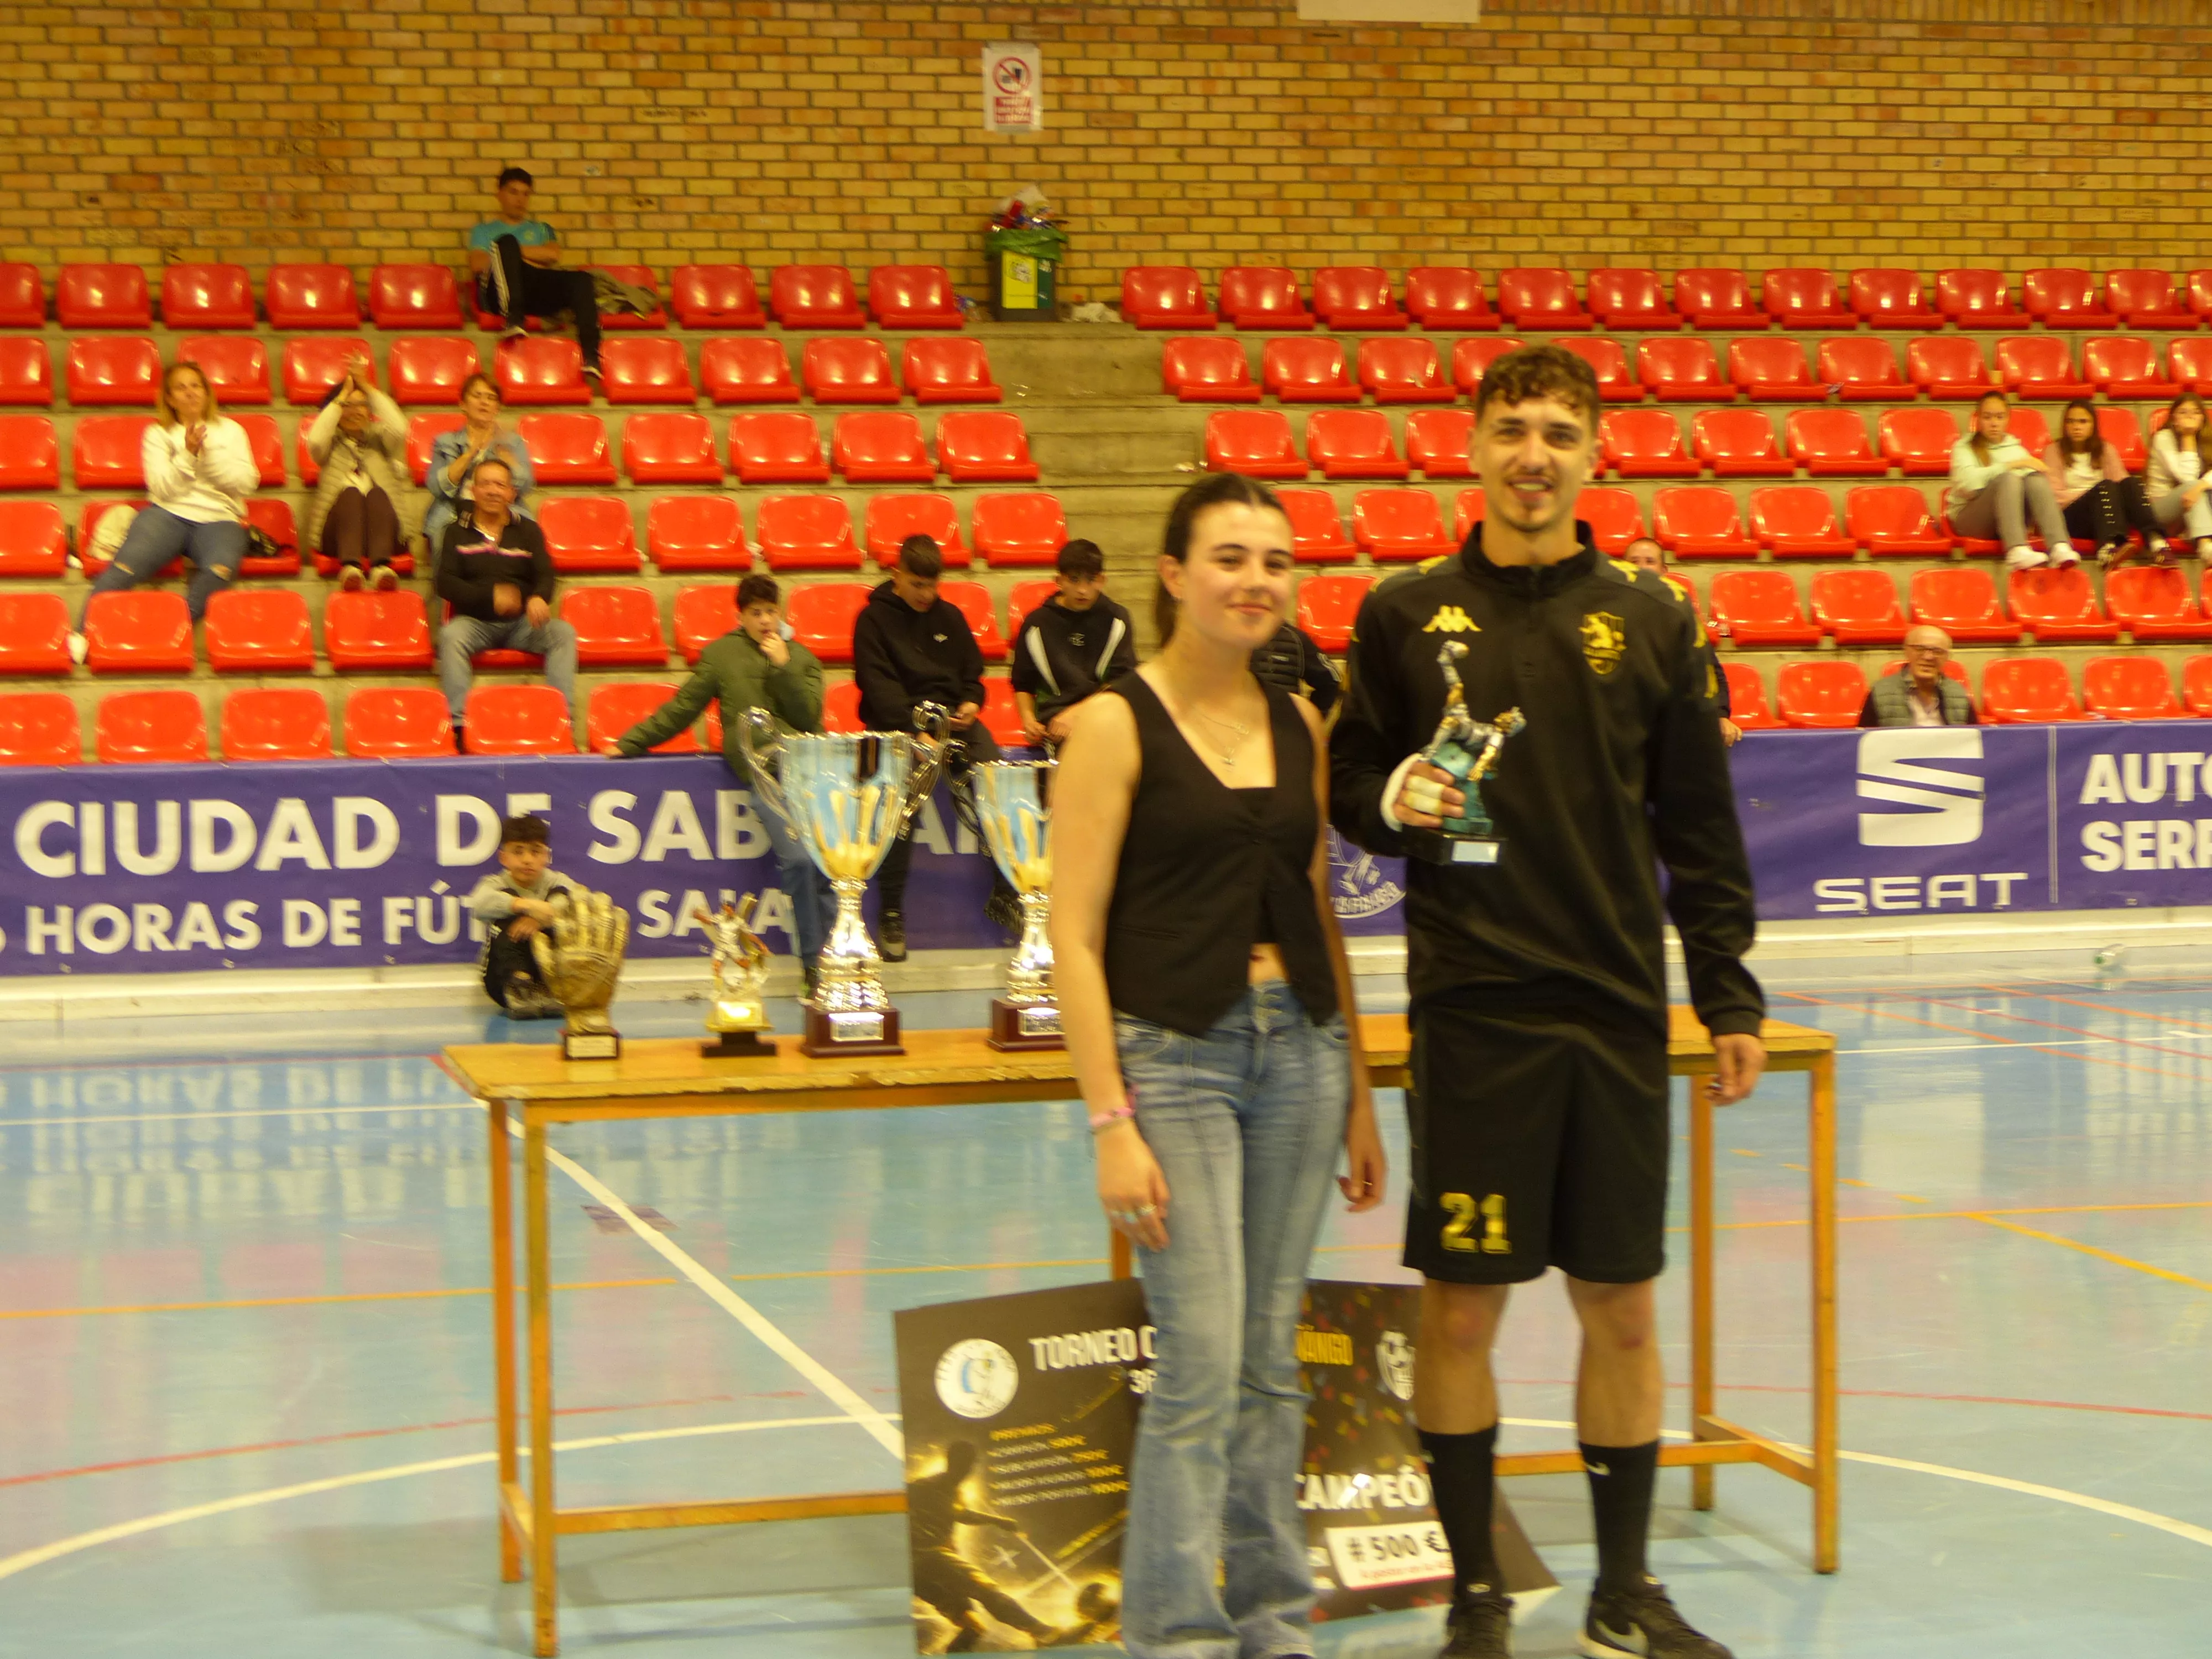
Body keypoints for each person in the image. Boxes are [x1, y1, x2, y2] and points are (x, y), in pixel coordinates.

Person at [1329, 345, 1762, 1659]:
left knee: (1619, 1304)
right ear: (1469, 442)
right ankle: (1473, 1590)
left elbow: (1698, 820)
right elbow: (1352, 790)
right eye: (1512, 427)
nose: (1533, 453)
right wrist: (1389, 802)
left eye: (1558, 432)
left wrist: (1727, 985)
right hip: (1473, 1013)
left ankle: (1622, 1590)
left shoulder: (1652, 616)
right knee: (1460, 1308)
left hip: (1617, 1010)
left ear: (1592, 454)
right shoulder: (1403, 615)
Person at [1051, 472, 1387, 1659]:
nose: (1256, 581)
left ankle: (1273, 1621)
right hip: (1172, 1063)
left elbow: (1312, 903)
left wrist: (1354, 1085)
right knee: (1198, 1364)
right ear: (1175, 575)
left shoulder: (1299, 724)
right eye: (1231, 558)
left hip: (1298, 1053)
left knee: (1269, 1358)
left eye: (1275, 561)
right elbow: (1072, 936)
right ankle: (1178, 1636)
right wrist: (1110, 1120)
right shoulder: (1106, 725)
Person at [609, 574, 837, 995]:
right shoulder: (721, 656)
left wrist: (784, 667)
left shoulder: (802, 658)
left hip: (809, 776)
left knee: (831, 869)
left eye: (771, 612)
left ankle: (836, 963)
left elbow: (809, 719)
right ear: (741, 617)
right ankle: (814, 967)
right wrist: (633, 741)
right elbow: (682, 708)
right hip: (766, 778)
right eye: (756, 614)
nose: (766, 621)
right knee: (802, 862)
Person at [853, 535, 1020, 959]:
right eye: (918, 585)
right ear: (897, 576)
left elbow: (973, 675)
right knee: (904, 805)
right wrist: (915, 731)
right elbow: (878, 690)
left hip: (954, 723)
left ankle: (1008, 891)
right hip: (899, 726)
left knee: (1003, 785)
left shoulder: (950, 616)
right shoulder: (873, 621)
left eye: (933, 585)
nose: (927, 595)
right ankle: (891, 911)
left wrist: (971, 703)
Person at [69, 361, 256, 661]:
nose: (190, 393)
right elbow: (162, 488)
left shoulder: (232, 431)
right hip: (168, 514)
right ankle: (81, 633)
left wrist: (205, 458)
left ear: (207, 393)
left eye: (196, 386)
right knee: (126, 567)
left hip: (220, 518)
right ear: (169, 399)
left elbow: (247, 483)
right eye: (181, 388)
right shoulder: (157, 434)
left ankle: (168, 630)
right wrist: (187, 455)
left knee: (222, 570)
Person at [434, 457, 577, 749]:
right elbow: (445, 583)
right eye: (485, 484)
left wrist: (538, 597)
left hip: (522, 624)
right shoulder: (454, 532)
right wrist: (489, 598)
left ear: (512, 493)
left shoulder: (529, 530)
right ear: (473, 490)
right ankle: (460, 728)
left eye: (500, 485)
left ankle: (561, 722)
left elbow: (546, 574)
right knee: (450, 636)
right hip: (474, 623)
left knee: (563, 634)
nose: (493, 491)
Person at [906, 1441, 1081, 1652]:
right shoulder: (925, 1487)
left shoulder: (950, 1492)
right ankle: (1043, 1633)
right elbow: (960, 1514)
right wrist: (998, 1521)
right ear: (953, 1462)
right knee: (986, 1589)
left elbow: (960, 1514)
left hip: (921, 1576)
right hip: (928, 1557)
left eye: (970, 1467)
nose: (967, 1471)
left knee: (973, 1627)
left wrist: (997, 1522)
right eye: (964, 1465)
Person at [467, 166, 602, 385]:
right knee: (506, 242)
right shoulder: (483, 231)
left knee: (583, 279)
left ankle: (591, 355)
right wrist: (511, 252)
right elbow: (478, 264)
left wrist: (511, 256)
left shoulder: (542, 229)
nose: (520, 200)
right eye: (513, 192)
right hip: (497, 295)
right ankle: (514, 317)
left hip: (534, 288)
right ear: (499, 194)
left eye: (525, 194)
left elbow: (552, 254)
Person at [303, 354, 415, 589]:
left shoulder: (381, 439)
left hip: (385, 532)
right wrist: (341, 396)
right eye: (348, 406)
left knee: (377, 494)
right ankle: (350, 568)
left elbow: (400, 427)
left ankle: (381, 568)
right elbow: (314, 441)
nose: (356, 411)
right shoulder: (329, 444)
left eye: (362, 405)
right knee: (351, 494)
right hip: (337, 536)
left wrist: (367, 387)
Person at [1011, 539, 1137, 744]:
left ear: (1102, 580)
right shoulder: (1036, 624)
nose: (1083, 590)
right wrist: (1029, 720)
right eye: (1074, 580)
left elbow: (1121, 683)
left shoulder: (1118, 620)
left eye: (1091, 580)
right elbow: (1022, 683)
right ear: (1059, 581)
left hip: (1104, 713)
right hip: (1054, 721)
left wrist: (1078, 714)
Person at [1621, 536, 1740, 747]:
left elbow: (1711, 671)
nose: (1642, 568)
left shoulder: (1682, 617)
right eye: (1634, 562)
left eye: (1650, 562)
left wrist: (1721, 715)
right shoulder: (1609, 615)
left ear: (1664, 570)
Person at [1949, 389, 2074, 571]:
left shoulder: (2016, 448)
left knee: (2035, 479)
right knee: (2008, 478)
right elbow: (1968, 485)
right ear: (1977, 419)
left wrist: (2020, 466)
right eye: (1988, 417)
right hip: (1970, 521)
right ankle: (2016, 550)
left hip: (2008, 521)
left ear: (2008, 419)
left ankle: (2059, 546)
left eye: (2000, 417)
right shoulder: (1964, 447)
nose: (1994, 424)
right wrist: (2011, 465)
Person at [466, 815, 573, 1019]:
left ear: (547, 857)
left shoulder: (558, 881)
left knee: (561, 901)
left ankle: (546, 986)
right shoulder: (494, 883)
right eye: (518, 852)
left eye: (535, 852)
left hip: (553, 981)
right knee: (507, 907)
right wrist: (524, 905)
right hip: (501, 982)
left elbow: (575, 904)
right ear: (503, 858)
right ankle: (519, 986)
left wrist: (538, 919)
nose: (527, 860)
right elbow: (478, 905)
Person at [422, 372, 536, 556]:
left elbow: (524, 486)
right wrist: (471, 452)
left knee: (529, 531)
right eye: (477, 396)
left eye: (491, 398)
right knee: (441, 532)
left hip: (502, 507)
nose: (484, 402)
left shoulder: (513, 443)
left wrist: (506, 456)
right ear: (463, 404)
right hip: (455, 507)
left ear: (497, 408)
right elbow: (437, 488)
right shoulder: (446, 442)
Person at [2045, 399, 2168, 567]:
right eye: (2071, 421)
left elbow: (2122, 485)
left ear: (2093, 425)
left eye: (2083, 421)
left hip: (2106, 513)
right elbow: (2055, 496)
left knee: (2131, 482)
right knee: (2106, 487)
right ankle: (2107, 549)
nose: (2076, 427)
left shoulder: (2105, 449)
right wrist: (2094, 492)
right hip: (2072, 517)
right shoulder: (2054, 451)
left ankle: (2157, 543)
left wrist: (2101, 492)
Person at [1858, 625, 1975, 727]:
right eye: (1920, 649)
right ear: (1906, 651)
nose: (1928, 657)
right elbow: (1865, 740)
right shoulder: (1881, 693)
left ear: (1947, 657)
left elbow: (1976, 739)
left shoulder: (1959, 693)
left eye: (1938, 651)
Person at [2147, 392, 2212, 560]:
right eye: (2183, 412)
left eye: (2196, 412)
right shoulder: (2163, 438)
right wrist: (2188, 436)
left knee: (2204, 490)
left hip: (2190, 511)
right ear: (2173, 419)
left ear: (2203, 419)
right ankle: (2206, 546)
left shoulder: (2207, 442)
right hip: (2161, 513)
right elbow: (2187, 478)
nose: (2190, 416)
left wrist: (2202, 486)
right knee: (2194, 487)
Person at [1249, 618, 1340, 716]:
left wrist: (1309, 718)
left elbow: (1331, 680)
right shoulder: (1232, 640)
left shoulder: (1295, 639)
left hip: (1281, 725)